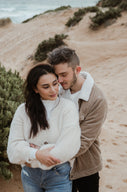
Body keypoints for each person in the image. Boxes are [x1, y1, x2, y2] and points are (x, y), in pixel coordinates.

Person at [7, 64, 81, 192]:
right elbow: (12, 151)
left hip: (58, 176)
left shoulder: (68, 108)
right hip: (29, 176)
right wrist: (36, 153)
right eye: (46, 87)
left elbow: (69, 147)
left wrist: (32, 155)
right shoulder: (23, 110)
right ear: (35, 89)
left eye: (55, 83)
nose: (53, 90)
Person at [47, 47, 108, 192]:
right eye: (56, 76)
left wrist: (45, 155)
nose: (59, 80)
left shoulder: (97, 100)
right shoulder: (56, 91)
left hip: (85, 169)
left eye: (64, 74)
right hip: (57, 169)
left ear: (77, 69)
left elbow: (83, 142)